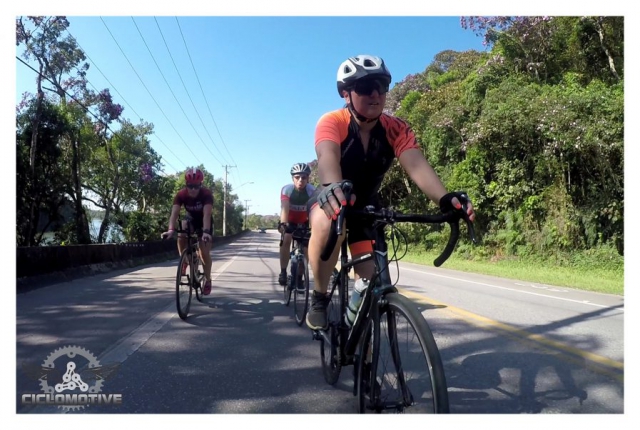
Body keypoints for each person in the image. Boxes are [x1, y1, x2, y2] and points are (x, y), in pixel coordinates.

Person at [305, 55, 476, 330]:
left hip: (366, 207)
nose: (375, 94)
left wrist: (445, 199)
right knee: (328, 221)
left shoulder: (396, 128)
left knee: (369, 287)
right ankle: (319, 298)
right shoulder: (332, 121)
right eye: (365, 87)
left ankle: (361, 344)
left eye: (381, 86)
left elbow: (417, 165)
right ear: (346, 94)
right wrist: (332, 187)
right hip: (331, 195)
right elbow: (327, 157)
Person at [161, 168, 214, 295]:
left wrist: (206, 232)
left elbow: (207, 215)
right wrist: (170, 230)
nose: (193, 189)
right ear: (186, 185)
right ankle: (185, 260)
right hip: (190, 219)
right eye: (190, 186)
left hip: (204, 221)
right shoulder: (181, 194)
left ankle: (208, 280)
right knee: (181, 232)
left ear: (200, 185)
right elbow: (174, 214)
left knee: (204, 253)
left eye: (196, 186)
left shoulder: (206, 194)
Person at [278, 163, 316, 288]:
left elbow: (314, 212)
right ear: (292, 178)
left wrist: (315, 228)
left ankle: (299, 278)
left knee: (306, 248)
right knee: (286, 238)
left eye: (304, 177)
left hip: (304, 222)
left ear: (308, 178)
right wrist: (283, 225)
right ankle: (283, 272)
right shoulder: (287, 190)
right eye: (297, 177)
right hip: (289, 221)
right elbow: (285, 209)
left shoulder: (312, 191)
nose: (301, 180)